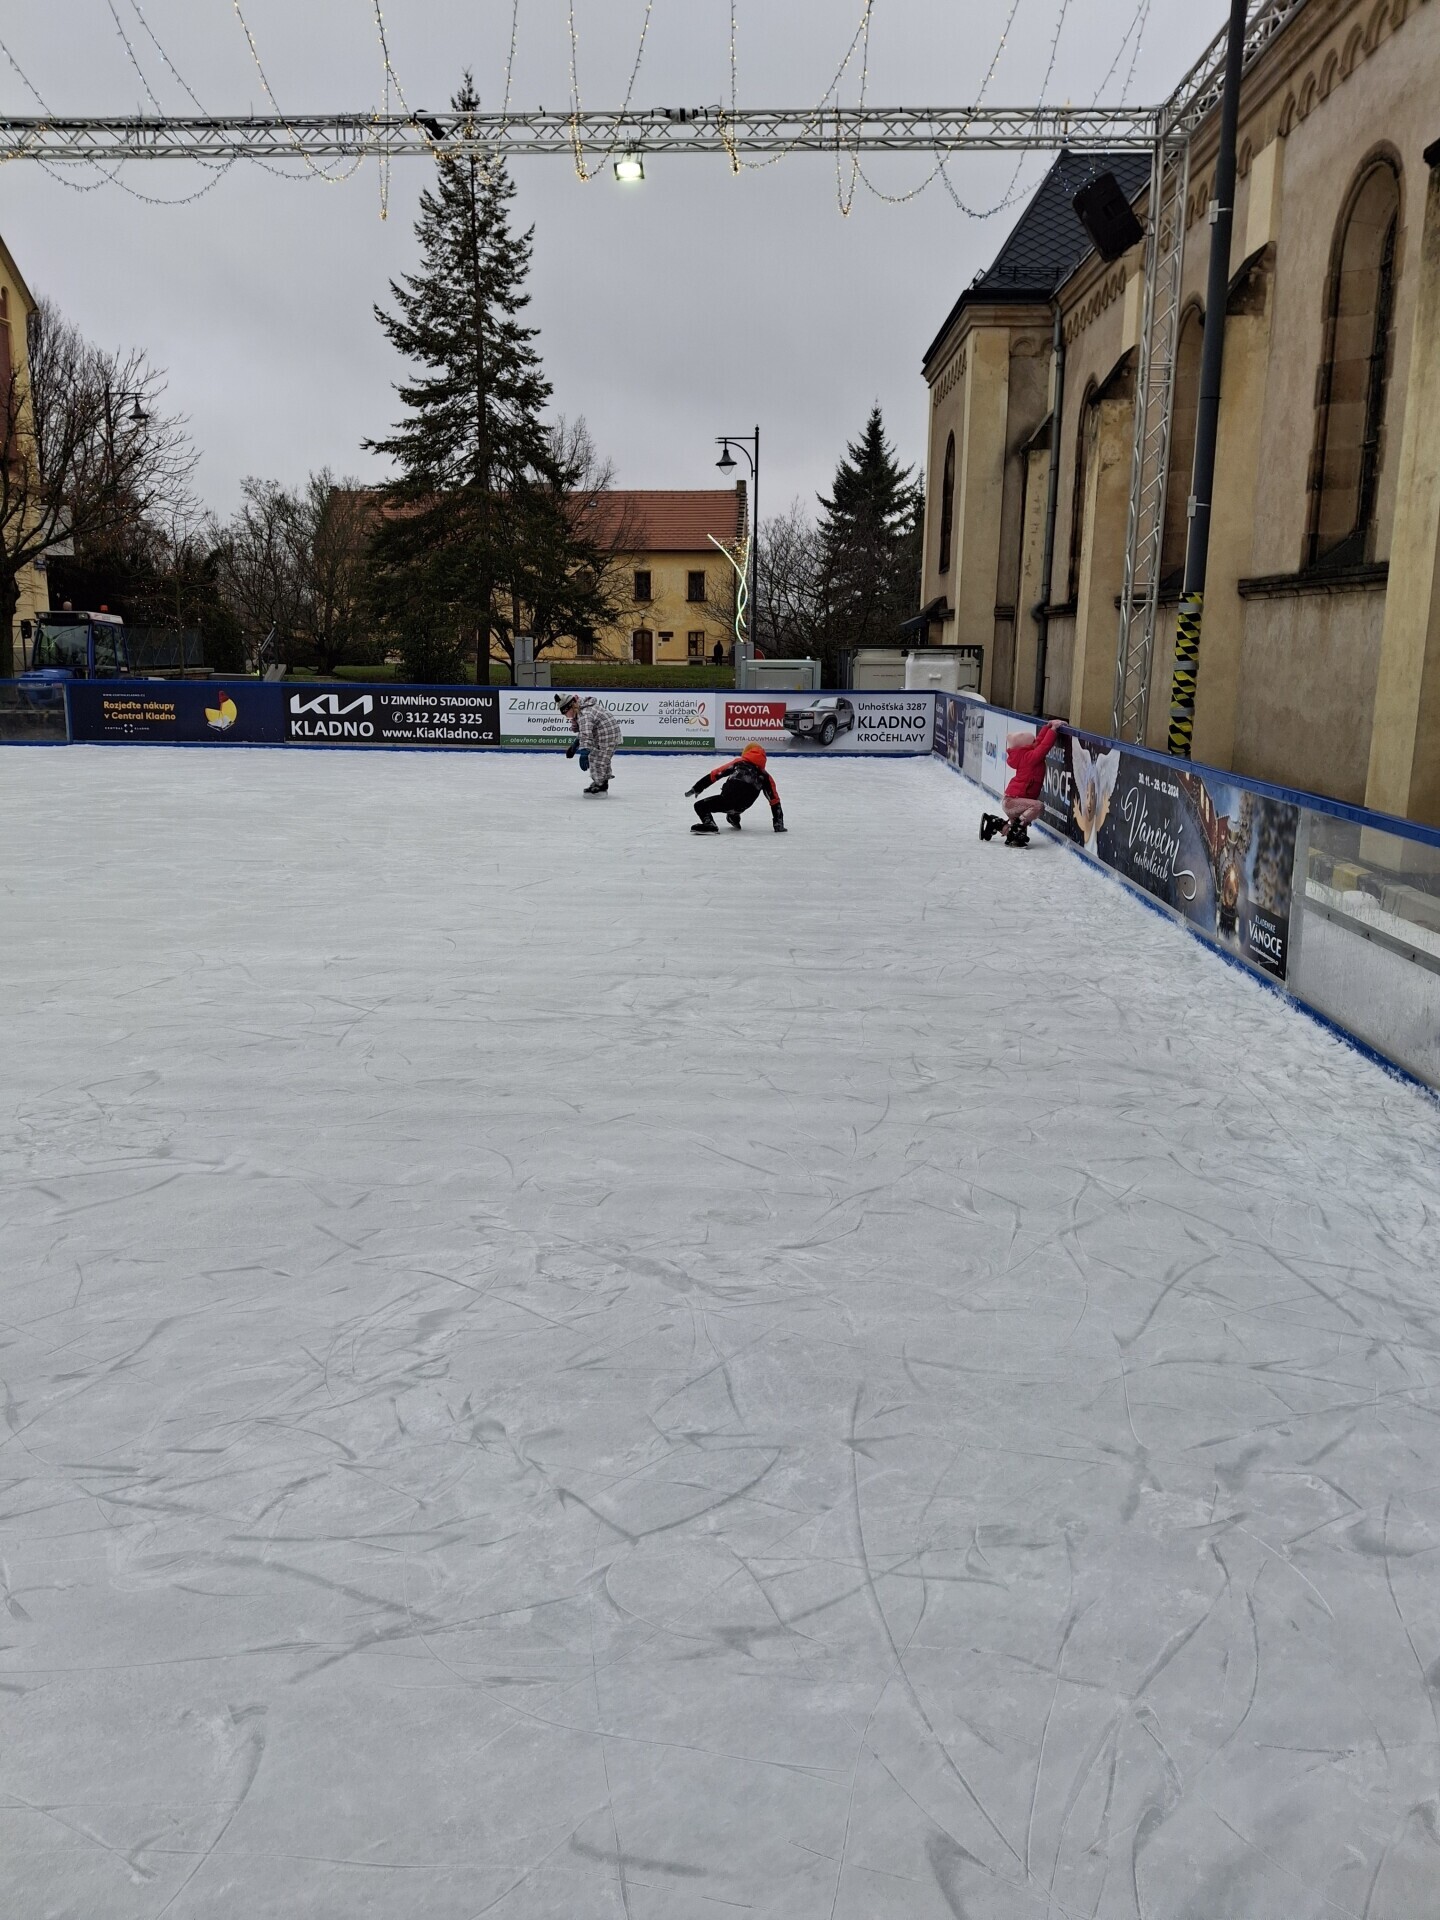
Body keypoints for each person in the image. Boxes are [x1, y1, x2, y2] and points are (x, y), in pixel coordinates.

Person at [980, 719, 1062, 847]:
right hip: (1014, 802)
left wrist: (1047, 727)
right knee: (1038, 807)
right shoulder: (1029, 758)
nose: (1035, 742)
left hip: (1017, 803)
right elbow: (1043, 747)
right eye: (1032, 741)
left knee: (1018, 838)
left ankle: (996, 824)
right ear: (1026, 745)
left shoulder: (1026, 754)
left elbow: (1039, 742)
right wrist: (1053, 730)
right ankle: (1015, 829)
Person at [686, 743, 786, 834]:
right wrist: (778, 824)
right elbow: (774, 801)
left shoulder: (739, 763)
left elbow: (716, 774)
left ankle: (710, 824)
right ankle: (734, 817)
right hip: (743, 805)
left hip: (727, 799)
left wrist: (697, 787)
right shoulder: (766, 776)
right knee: (736, 804)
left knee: (700, 806)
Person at [556, 693, 621, 794]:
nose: (565, 716)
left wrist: (584, 752)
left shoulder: (584, 714)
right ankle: (602, 782)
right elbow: (584, 731)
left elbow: (586, 734)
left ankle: (600, 785)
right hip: (606, 735)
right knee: (602, 759)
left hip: (607, 737)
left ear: (569, 708)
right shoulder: (581, 710)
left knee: (598, 760)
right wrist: (575, 746)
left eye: (564, 713)